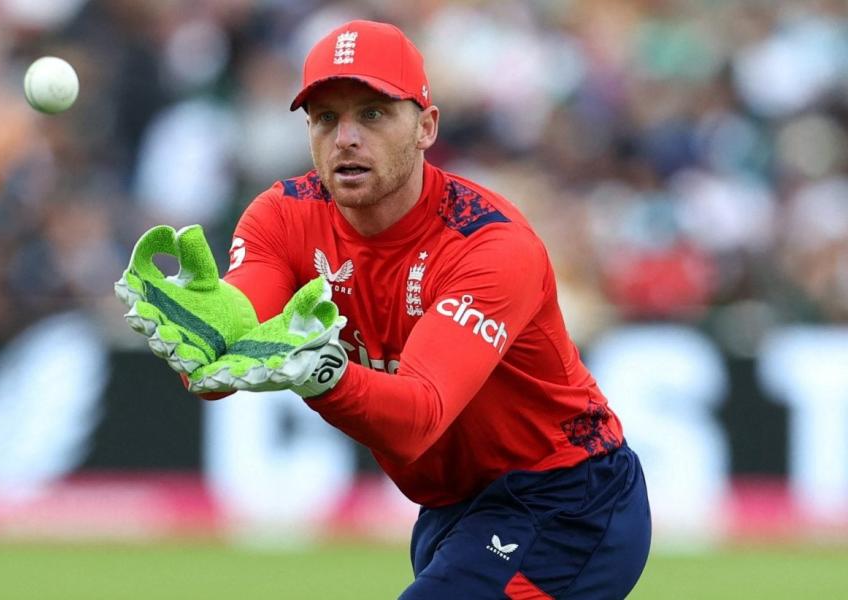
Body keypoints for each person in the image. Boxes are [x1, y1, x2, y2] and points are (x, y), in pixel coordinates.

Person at [118, 19, 651, 599]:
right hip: (452, 509)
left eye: (372, 113)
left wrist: (321, 375)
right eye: (326, 118)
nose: (345, 137)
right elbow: (232, 345)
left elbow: (418, 418)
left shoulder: (490, 246)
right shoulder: (281, 216)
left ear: (426, 126)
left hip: (567, 498)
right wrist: (206, 330)